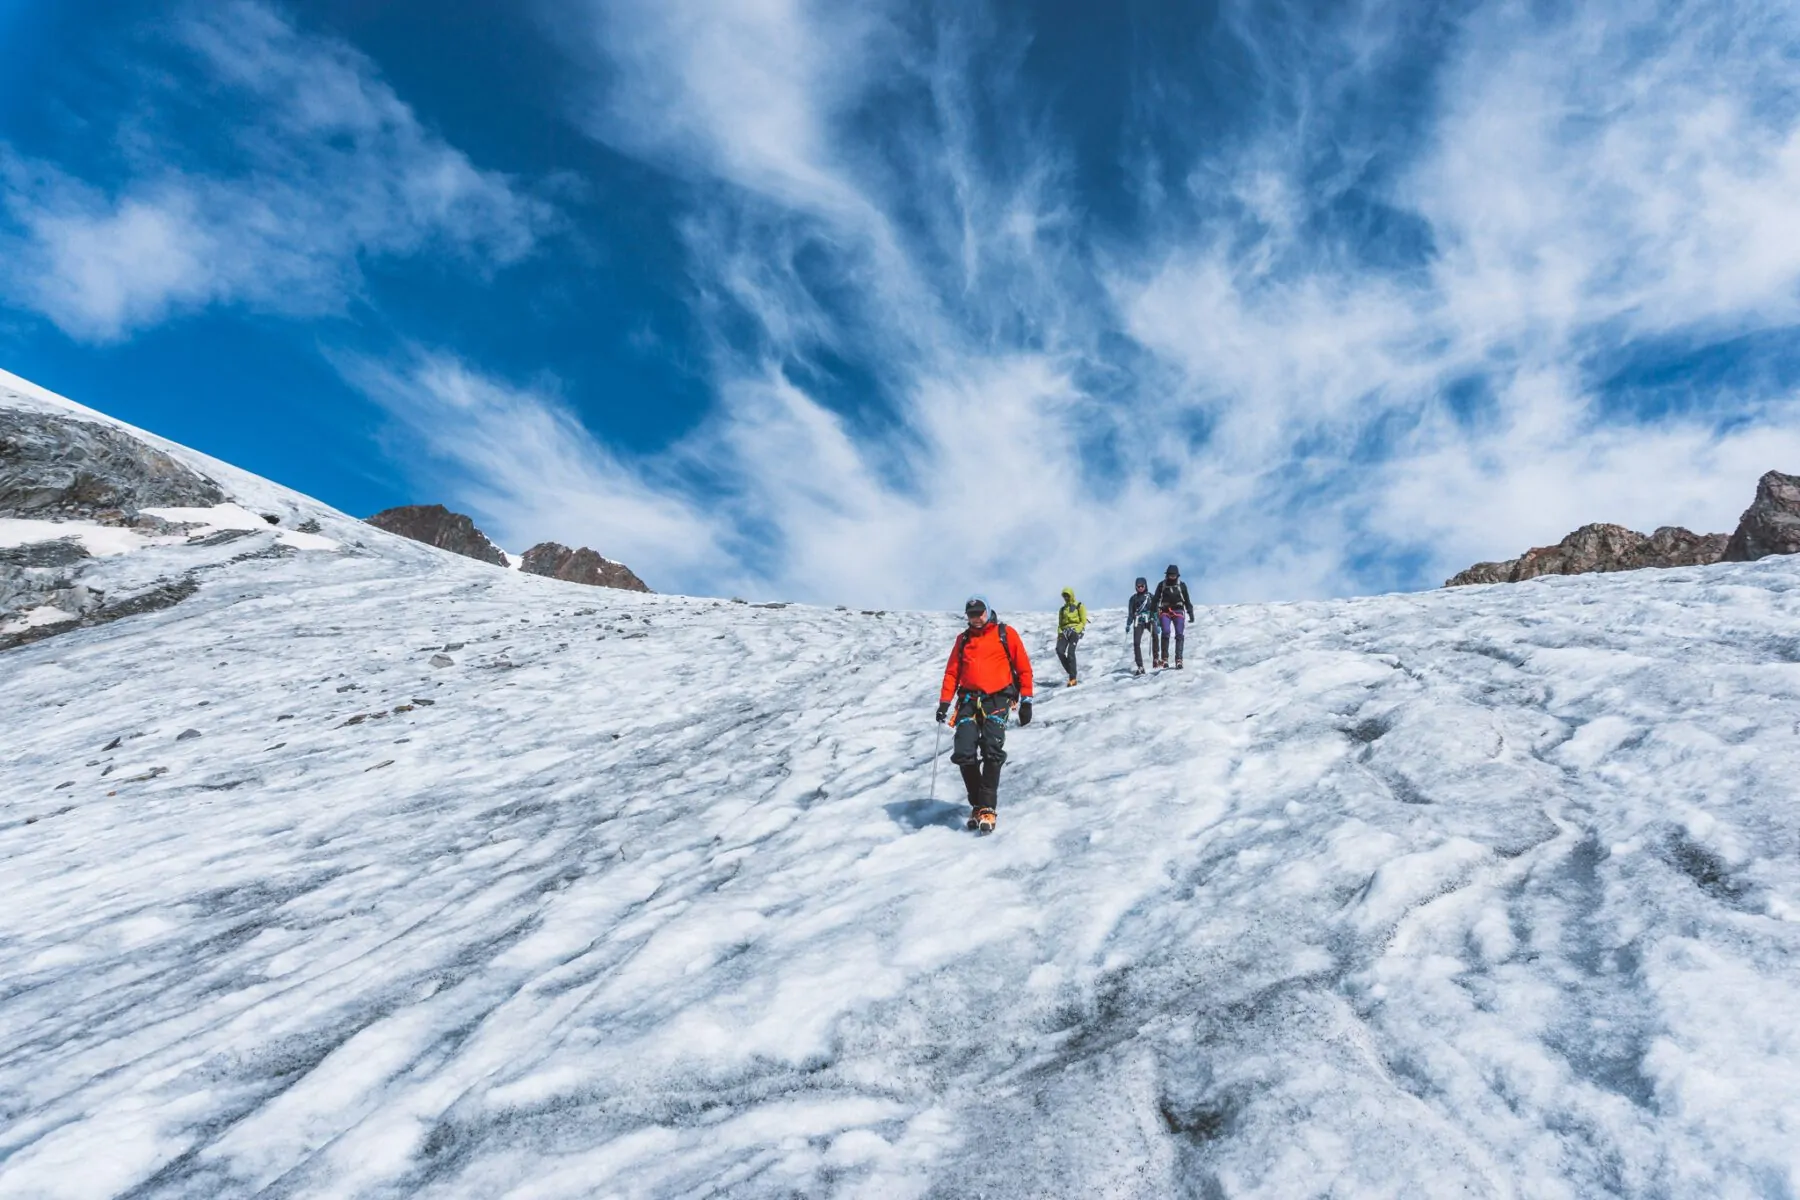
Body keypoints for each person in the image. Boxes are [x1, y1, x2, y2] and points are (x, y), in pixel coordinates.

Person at [936, 595, 1034, 832]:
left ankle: (987, 807)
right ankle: (978, 805)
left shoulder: (1005, 633)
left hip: (998, 699)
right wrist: (944, 703)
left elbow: (1023, 667)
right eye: (971, 614)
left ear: (988, 611)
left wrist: (1026, 700)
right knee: (963, 751)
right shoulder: (963, 640)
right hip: (968, 700)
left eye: (980, 612)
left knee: (992, 748)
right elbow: (952, 673)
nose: (976, 617)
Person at [1150, 563, 1195, 669]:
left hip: (1178, 611)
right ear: (1167, 575)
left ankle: (1179, 659)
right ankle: (1164, 658)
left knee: (1179, 634)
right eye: (1170, 575)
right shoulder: (1162, 585)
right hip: (1165, 611)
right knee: (1166, 632)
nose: (1172, 577)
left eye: (1174, 575)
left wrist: (1190, 613)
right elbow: (1155, 599)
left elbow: (1187, 600)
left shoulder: (1182, 585)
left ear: (1177, 575)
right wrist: (1152, 613)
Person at [1055, 586, 1087, 686]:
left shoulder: (1079, 606)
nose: (1066, 598)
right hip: (1064, 631)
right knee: (1059, 650)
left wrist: (1077, 630)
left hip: (1074, 630)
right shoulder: (1062, 609)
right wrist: (1060, 633)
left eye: (1067, 595)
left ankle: (1072, 678)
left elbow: (1083, 620)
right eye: (1064, 596)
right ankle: (1071, 670)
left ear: (1071, 595)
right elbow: (1060, 623)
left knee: (1070, 652)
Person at [1126, 576, 1154, 674]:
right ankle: (1140, 666)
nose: (1140, 588)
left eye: (1142, 586)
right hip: (1138, 621)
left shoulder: (1150, 597)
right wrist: (1128, 623)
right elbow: (1131, 613)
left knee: (1155, 636)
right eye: (1138, 586)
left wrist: (1158, 622)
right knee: (1136, 643)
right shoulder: (1133, 599)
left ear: (1145, 586)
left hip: (1149, 620)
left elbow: (1155, 609)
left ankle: (1157, 659)